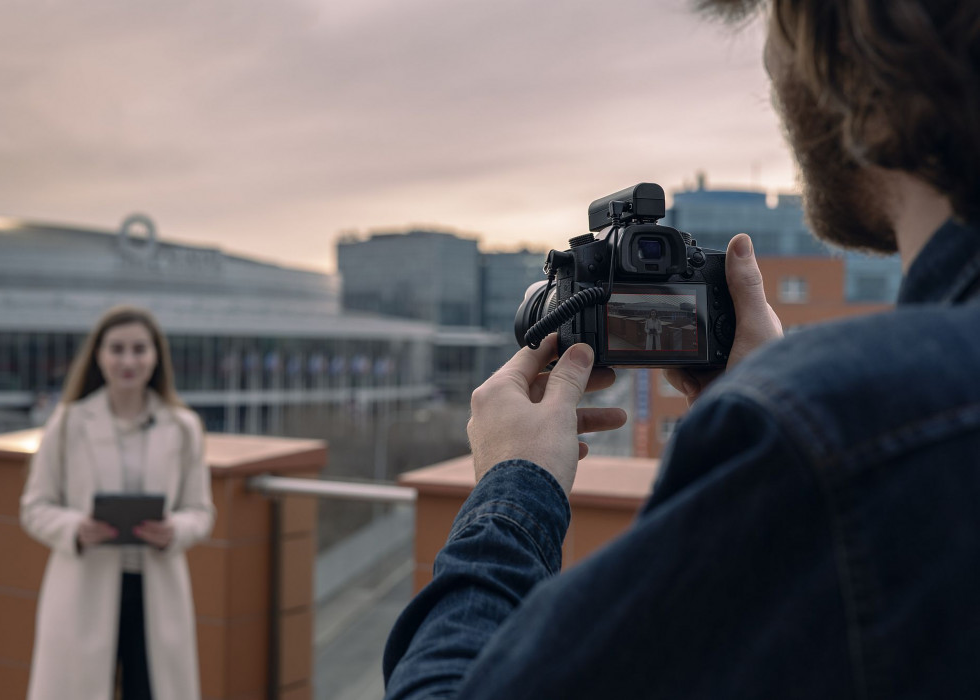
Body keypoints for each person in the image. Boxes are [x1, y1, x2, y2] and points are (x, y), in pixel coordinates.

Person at [383, 1, 980, 697]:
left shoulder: (835, 431)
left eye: (777, 26)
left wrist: (514, 487)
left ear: (873, 90)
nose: (771, 65)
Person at [20, 306, 215, 700]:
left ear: (156, 356)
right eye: (117, 349)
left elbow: (201, 512)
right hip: (83, 587)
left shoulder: (183, 427)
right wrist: (76, 528)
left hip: (156, 590)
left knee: (153, 688)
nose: (129, 360)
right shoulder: (69, 422)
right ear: (99, 355)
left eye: (140, 349)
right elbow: (35, 507)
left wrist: (174, 530)